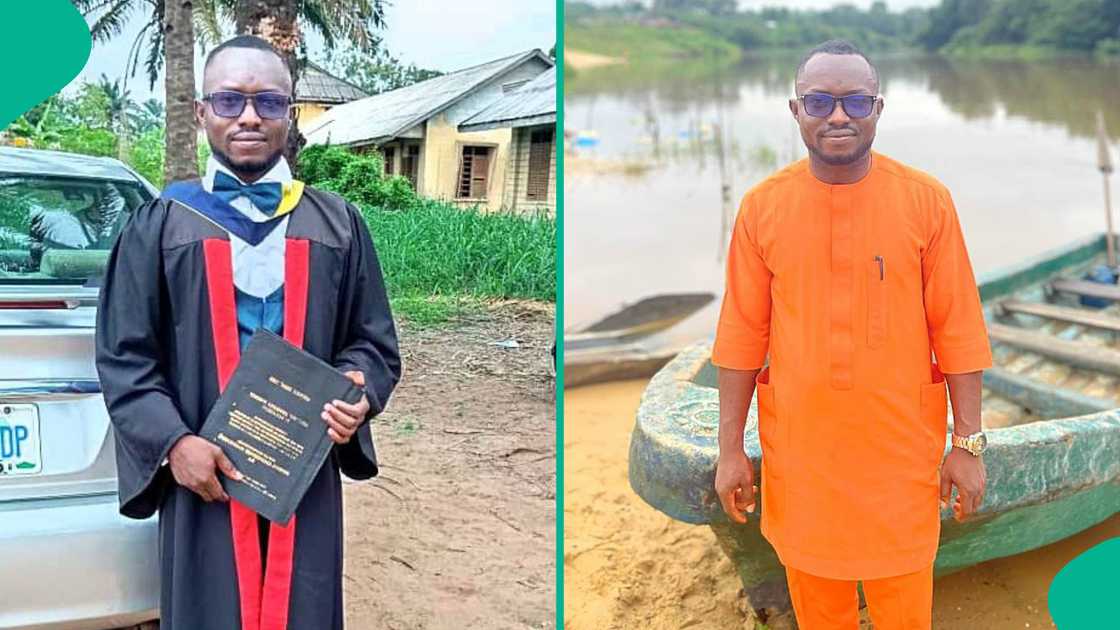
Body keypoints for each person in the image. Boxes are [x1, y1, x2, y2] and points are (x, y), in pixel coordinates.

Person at [95, 35, 401, 630]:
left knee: (303, 606)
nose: (251, 117)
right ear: (200, 111)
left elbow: (372, 340)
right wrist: (173, 445)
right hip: (201, 472)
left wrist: (358, 392)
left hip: (301, 471)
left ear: (291, 113)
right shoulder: (159, 225)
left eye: (269, 102)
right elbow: (125, 355)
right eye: (230, 101)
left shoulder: (337, 223)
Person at [712, 40, 992, 630]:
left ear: (878, 109)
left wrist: (966, 446)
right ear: (796, 112)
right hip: (803, 455)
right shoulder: (763, 208)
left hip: (899, 452)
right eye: (820, 101)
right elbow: (741, 336)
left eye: (855, 102)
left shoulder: (927, 202)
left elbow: (959, 330)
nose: (838, 116)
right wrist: (731, 448)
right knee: (819, 609)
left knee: (904, 610)